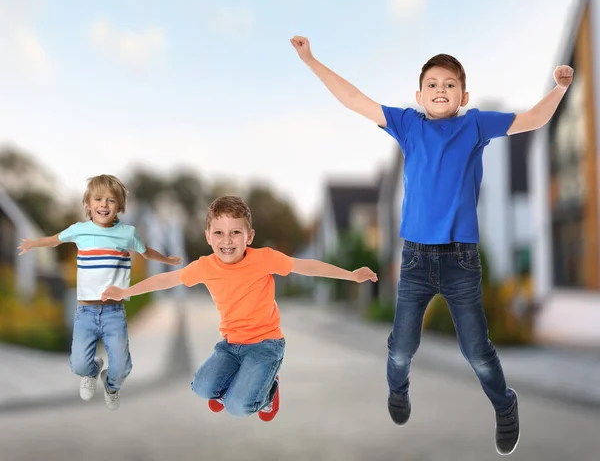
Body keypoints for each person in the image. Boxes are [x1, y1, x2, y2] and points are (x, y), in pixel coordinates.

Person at [290, 34, 574, 455]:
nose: (440, 90)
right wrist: (310, 59)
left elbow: (533, 118)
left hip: (460, 259)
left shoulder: (474, 124)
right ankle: (398, 391)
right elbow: (352, 97)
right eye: (432, 84)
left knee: (476, 351)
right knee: (402, 348)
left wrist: (561, 88)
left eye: (449, 84)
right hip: (415, 260)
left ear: (464, 95)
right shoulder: (407, 124)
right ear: (418, 94)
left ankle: (505, 404)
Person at [101, 195, 377, 421]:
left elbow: (307, 266)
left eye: (235, 232)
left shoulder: (265, 259)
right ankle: (243, 382)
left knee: (237, 407)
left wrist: (351, 275)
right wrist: (125, 291)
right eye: (219, 233)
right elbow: (165, 279)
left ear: (250, 236)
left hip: (266, 344)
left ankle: (269, 392)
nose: (227, 240)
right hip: (231, 345)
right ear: (208, 236)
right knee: (202, 388)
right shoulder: (204, 266)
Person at [18, 174, 182, 410]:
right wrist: (33, 243)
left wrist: (167, 259)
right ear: (88, 204)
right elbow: (55, 240)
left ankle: (111, 385)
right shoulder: (79, 230)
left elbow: (146, 252)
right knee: (78, 365)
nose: (104, 205)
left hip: (114, 312)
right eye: (98, 199)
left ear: (120, 206)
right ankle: (92, 370)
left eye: (111, 200)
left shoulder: (127, 233)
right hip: (85, 312)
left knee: (122, 367)